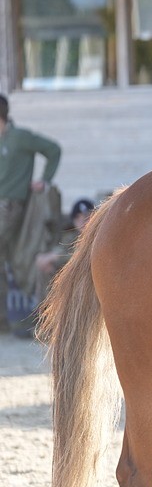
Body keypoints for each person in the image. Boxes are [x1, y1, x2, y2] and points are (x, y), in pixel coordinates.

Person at [0, 95, 61, 335]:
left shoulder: (20, 137)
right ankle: (6, 320)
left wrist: (44, 180)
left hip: (10, 207)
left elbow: (53, 149)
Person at [21, 197, 96, 338]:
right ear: (73, 220)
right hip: (69, 279)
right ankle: (47, 321)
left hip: (89, 279)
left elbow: (80, 258)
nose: (83, 221)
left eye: (87, 217)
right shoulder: (71, 236)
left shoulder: (98, 236)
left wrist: (54, 257)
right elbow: (62, 250)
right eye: (79, 217)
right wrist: (50, 259)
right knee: (46, 270)